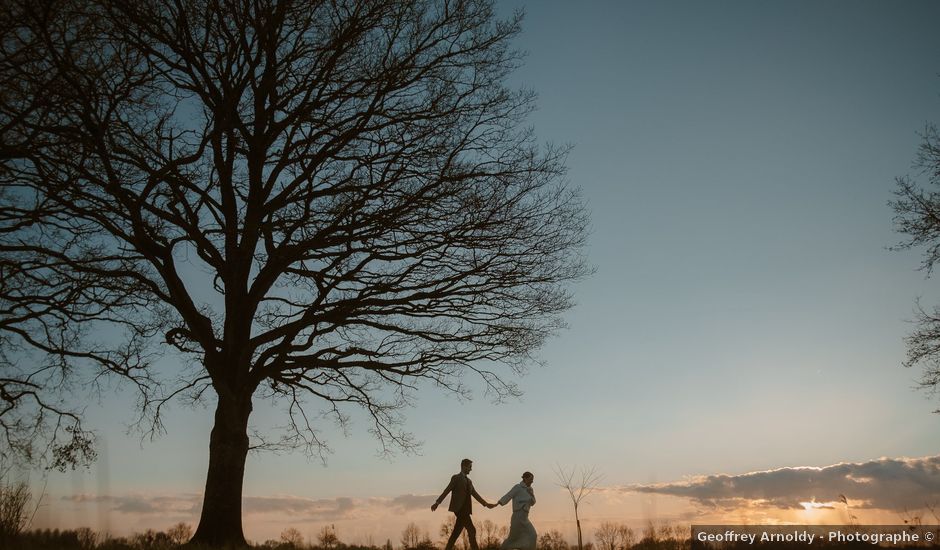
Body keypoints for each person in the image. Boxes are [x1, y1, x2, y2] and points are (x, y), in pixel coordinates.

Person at [431, 458, 496, 550]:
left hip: (466, 510)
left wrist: (486, 504)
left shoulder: (469, 481)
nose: (471, 469)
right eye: (470, 467)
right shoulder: (456, 478)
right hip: (459, 509)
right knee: (472, 530)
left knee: (456, 533)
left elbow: (475, 494)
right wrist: (437, 502)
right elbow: (447, 490)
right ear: (463, 466)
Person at [495, 471, 537, 550]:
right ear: (525, 478)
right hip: (517, 518)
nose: (532, 481)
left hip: (525, 518)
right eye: (531, 479)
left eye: (533, 479)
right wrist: (499, 503)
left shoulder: (530, 489)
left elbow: (533, 503)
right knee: (512, 539)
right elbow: (509, 495)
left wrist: (531, 494)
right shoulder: (518, 487)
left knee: (533, 535)